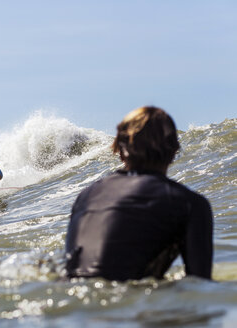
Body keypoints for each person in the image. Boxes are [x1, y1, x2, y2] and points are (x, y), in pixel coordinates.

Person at [65, 106, 213, 281]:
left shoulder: (86, 196)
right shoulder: (189, 204)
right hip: (124, 300)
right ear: (174, 150)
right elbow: (199, 283)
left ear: (119, 150)